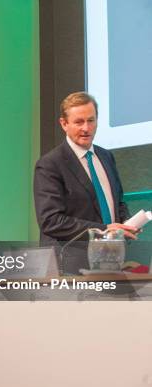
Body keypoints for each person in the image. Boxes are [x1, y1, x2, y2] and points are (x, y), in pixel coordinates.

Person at [34, 91, 138, 271]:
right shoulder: (50, 164)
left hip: (111, 260)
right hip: (70, 267)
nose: (86, 128)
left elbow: (117, 202)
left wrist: (126, 225)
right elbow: (51, 221)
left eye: (91, 120)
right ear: (64, 124)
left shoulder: (106, 156)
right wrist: (104, 230)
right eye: (79, 122)